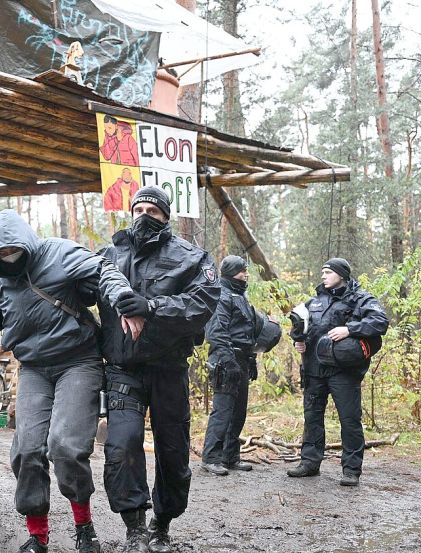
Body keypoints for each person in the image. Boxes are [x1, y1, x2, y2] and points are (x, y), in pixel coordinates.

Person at [0, 209, 134, 553]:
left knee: (65, 446)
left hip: (78, 360)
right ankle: (38, 535)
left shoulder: (58, 252)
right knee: (28, 449)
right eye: (0, 253)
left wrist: (123, 300)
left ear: (26, 242)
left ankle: (84, 526)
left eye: (13, 250)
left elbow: (104, 269)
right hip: (32, 367)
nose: (8, 257)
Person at [98, 186, 220, 553]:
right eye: (139, 208)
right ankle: (134, 528)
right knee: (121, 446)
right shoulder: (109, 254)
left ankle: (162, 526)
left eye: (153, 210)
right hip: (123, 369)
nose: (144, 215)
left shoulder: (192, 258)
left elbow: (202, 303)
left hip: (169, 369)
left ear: (166, 216)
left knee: (173, 452)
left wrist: (151, 306)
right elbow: (78, 289)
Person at [288, 258, 389, 486]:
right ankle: (309, 463)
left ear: (341, 274)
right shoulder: (314, 302)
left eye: (328, 272)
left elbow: (380, 322)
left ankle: (351, 469)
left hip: (344, 372)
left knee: (349, 420)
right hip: (314, 370)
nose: (323, 276)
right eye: (322, 272)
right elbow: (298, 325)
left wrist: (349, 329)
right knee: (312, 417)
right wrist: (298, 340)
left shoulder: (360, 299)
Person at [200, 255, 269, 475]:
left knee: (238, 412)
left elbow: (246, 332)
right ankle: (211, 457)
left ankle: (230, 456)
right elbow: (216, 332)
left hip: (241, 359)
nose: (245, 274)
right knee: (222, 411)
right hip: (224, 360)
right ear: (231, 272)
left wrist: (251, 360)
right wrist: (229, 362)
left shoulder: (241, 296)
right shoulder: (221, 296)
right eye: (242, 270)